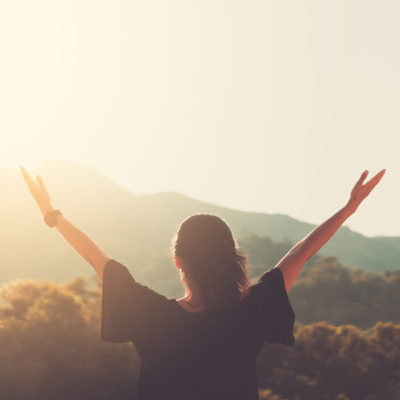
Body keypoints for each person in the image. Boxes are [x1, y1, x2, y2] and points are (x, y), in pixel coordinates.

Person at [20, 166, 385, 400]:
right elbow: (300, 255)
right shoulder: (251, 313)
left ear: (179, 261)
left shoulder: (152, 316)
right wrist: (347, 210)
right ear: (232, 259)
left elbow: (99, 261)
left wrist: (52, 215)